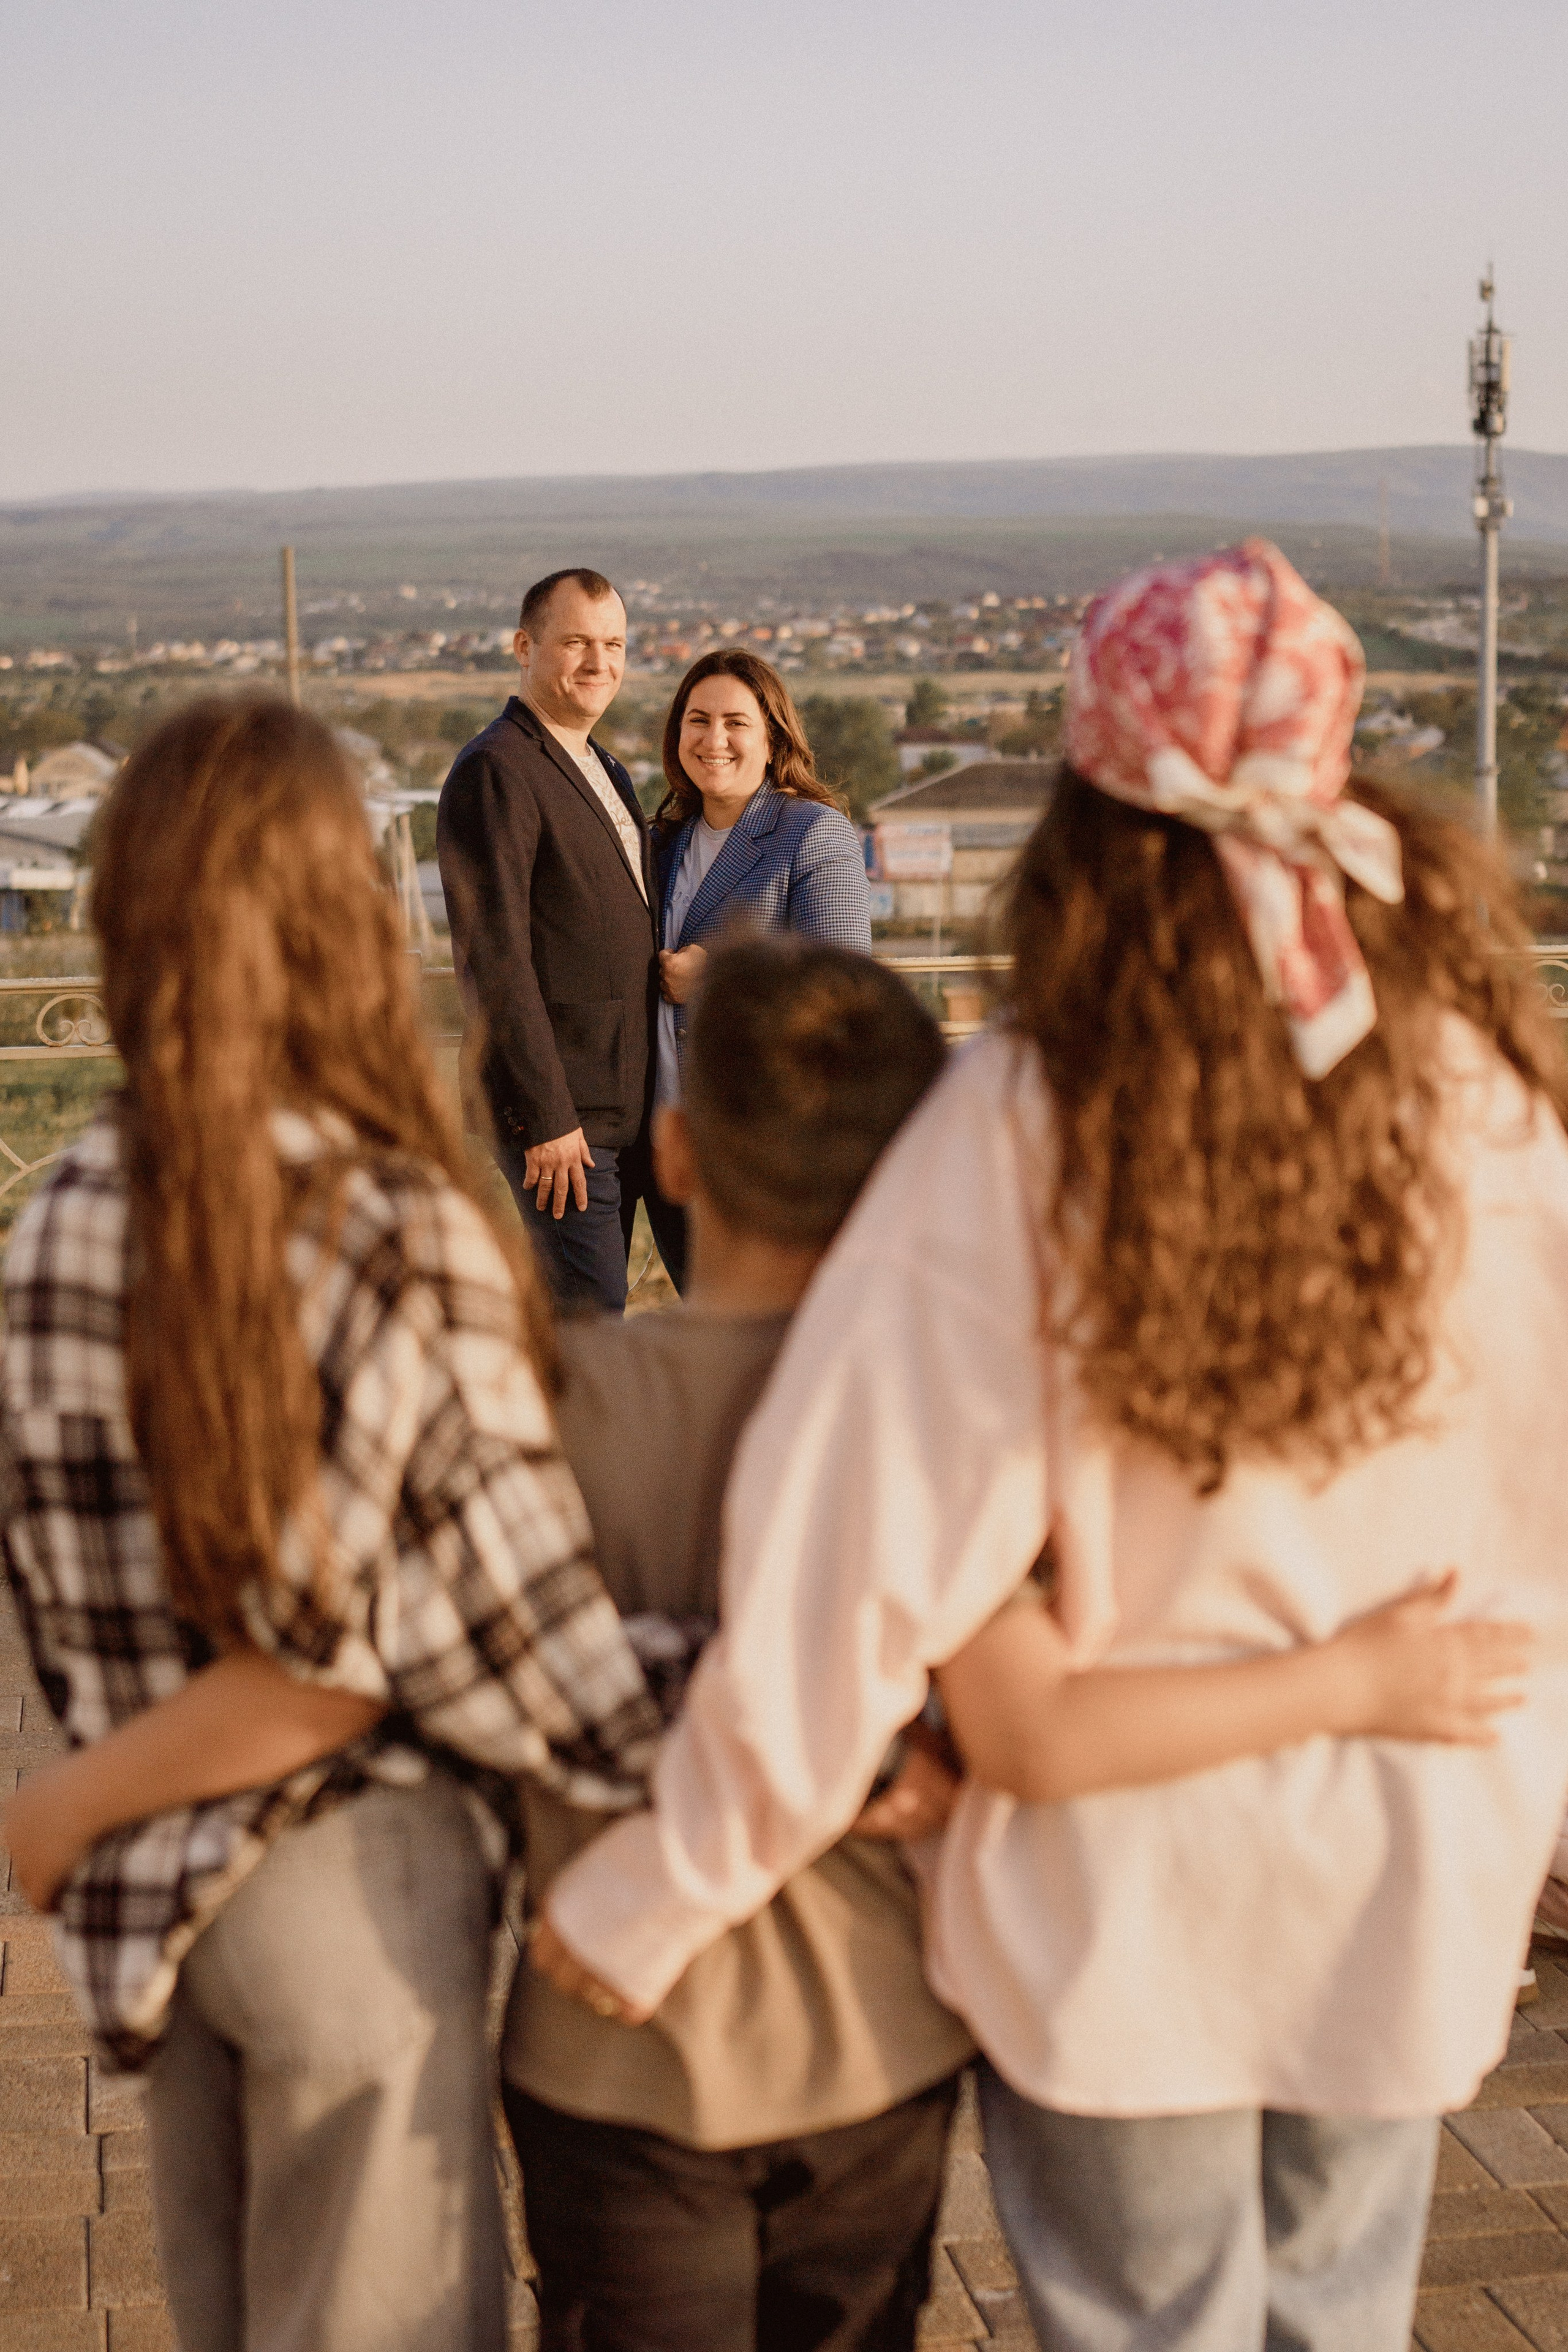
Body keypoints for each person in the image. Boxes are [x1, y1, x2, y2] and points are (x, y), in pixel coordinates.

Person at [9, 928, 1527, 2352]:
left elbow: (435, 1661)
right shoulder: (957, 1420)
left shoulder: (552, 1403)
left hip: (609, 2051)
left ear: (675, 1150)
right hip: (874, 2049)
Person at [532, 543, 1568, 2352]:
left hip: (1124, 1899)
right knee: (1336, 2316)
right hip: (1413, 1849)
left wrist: (667, 1875)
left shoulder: (1024, 1109)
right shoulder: (1486, 1089)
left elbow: (857, 1545)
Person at [0, 695, 662, 2352]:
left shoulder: (64, 1207)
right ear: (341, 918)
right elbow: (532, 1660)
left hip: (172, 1904)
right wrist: (861, 1727)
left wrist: (81, 1793)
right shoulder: (396, 1226)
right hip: (355, 1899)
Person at [438, 567, 682, 1313]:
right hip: (563, 1128)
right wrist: (544, 1118)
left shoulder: (599, 762)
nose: (598, 663)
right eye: (575, 642)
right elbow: (495, 957)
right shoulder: (496, 770)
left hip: (628, 1109)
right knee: (589, 1337)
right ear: (524, 646)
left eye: (613, 644)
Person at [647, 651, 871, 1283]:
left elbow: (844, 995)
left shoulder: (812, 834)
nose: (713, 739)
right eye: (697, 720)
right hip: (674, 1151)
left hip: (771, 1150)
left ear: (773, 739)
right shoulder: (660, 842)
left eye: (735, 723)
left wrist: (718, 981)